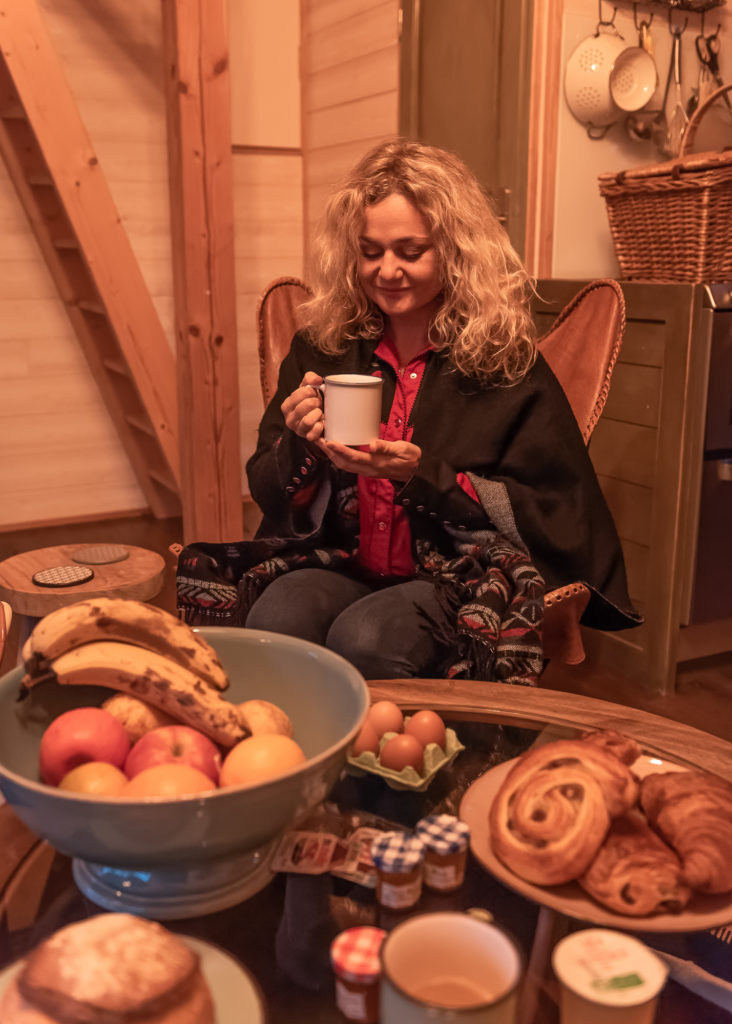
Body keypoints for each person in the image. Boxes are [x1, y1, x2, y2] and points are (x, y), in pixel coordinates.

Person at [176, 139, 640, 684]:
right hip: (343, 558)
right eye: (371, 251)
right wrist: (298, 443)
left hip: (455, 573)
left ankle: (399, 768)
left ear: (454, 249)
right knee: (278, 616)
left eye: (410, 251)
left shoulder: (505, 365)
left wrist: (424, 477)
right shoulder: (320, 348)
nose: (386, 270)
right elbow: (268, 489)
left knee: (368, 639)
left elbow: (557, 509)